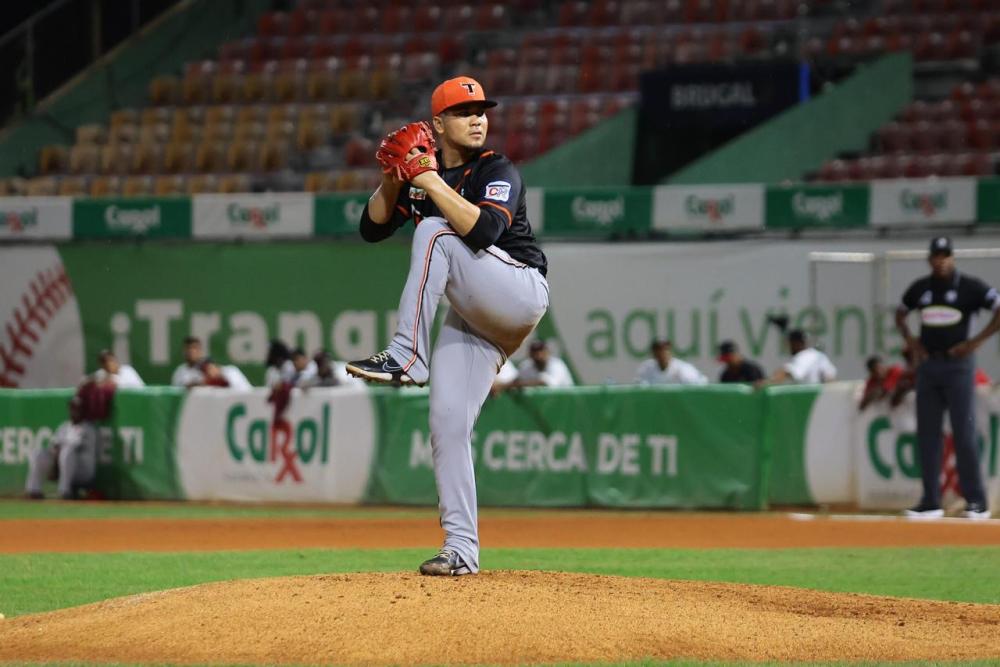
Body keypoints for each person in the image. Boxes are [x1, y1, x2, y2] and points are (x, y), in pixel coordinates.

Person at [345, 76, 549, 576]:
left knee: (435, 230)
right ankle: (461, 550)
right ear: (438, 124)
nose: (478, 119)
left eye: (481, 110)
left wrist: (429, 181)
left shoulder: (496, 169)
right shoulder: (424, 175)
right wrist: (394, 178)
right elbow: (371, 228)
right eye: (464, 112)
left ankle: (407, 354)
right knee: (447, 422)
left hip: (518, 289)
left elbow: (486, 230)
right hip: (475, 315)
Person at [896, 236, 1000, 519]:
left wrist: (975, 342)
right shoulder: (921, 288)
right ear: (930, 259)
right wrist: (912, 342)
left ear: (952, 258)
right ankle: (930, 500)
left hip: (959, 366)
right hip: (929, 365)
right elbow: (900, 313)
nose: (941, 261)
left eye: (946, 255)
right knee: (928, 434)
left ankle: (976, 501)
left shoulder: (969, 287)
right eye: (937, 256)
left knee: (963, 432)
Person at [24, 397, 97, 500]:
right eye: (72, 408)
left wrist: (55, 466)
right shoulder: (64, 427)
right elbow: (54, 447)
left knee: (67, 452)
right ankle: (33, 490)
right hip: (61, 467)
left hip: (81, 471)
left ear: (83, 410)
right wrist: (54, 467)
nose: (75, 411)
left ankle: (64, 492)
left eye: (78, 408)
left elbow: (71, 448)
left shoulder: (88, 429)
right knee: (38, 453)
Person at [767, 330, 837, 385]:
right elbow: (831, 378)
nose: (789, 347)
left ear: (796, 343)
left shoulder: (803, 356)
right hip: (820, 396)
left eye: (790, 343)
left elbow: (787, 372)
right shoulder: (819, 355)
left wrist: (767, 383)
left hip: (809, 396)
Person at [635, 339, 707, 385]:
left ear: (670, 351)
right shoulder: (646, 368)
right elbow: (639, 387)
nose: (662, 353)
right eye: (658, 350)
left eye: (665, 349)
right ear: (653, 353)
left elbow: (701, 383)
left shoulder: (682, 369)